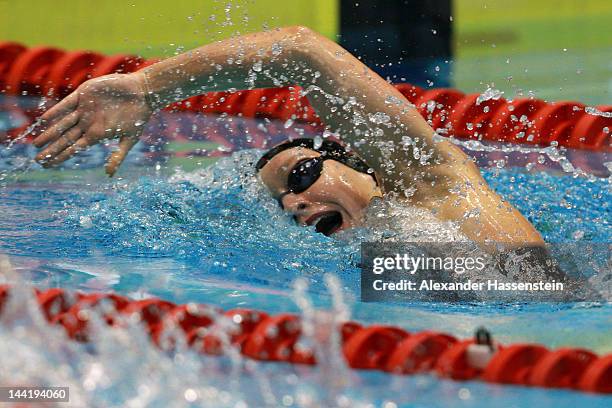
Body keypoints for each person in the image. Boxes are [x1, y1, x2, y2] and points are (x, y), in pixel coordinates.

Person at [32, 26, 543, 248]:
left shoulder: (432, 184)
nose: (296, 201)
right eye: (284, 201)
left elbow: (301, 51)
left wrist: (148, 87)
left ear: (361, 162)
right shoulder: (375, 267)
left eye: (301, 174)